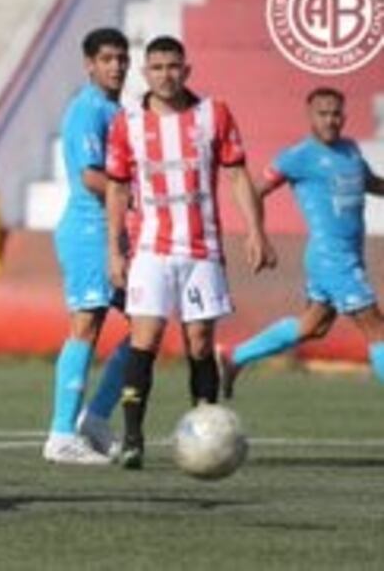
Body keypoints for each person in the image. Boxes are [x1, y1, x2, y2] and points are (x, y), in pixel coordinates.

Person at [105, 35, 276, 470]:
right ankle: (132, 439)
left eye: (174, 66)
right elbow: (118, 187)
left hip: (203, 249)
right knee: (145, 339)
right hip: (150, 249)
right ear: (146, 74)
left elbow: (238, 176)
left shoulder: (211, 115)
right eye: (157, 67)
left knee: (200, 344)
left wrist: (257, 230)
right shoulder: (128, 123)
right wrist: (115, 249)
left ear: (187, 70)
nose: (166, 75)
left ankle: (205, 434)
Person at [222, 87, 384, 396]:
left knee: (314, 326)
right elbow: (254, 190)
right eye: (323, 114)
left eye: (336, 114)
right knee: (377, 328)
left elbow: (372, 183)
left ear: (344, 117)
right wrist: (258, 234)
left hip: (348, 255)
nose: (330, 120)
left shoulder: (350, 149)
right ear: (310, 117)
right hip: (331, 258)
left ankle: (235, 356)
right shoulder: (298, 157)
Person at [44, 27, 133, 465]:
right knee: (86, 325)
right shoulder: (87, 109)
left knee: (146, 323)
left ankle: (95, 418)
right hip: (88, 231)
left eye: (121, 58)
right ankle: (61, 435)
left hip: (114, 231)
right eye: (107, 59)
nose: (116, 66)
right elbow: (92, 178)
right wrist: (146, 192)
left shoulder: (117, 110)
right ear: (89, 64)